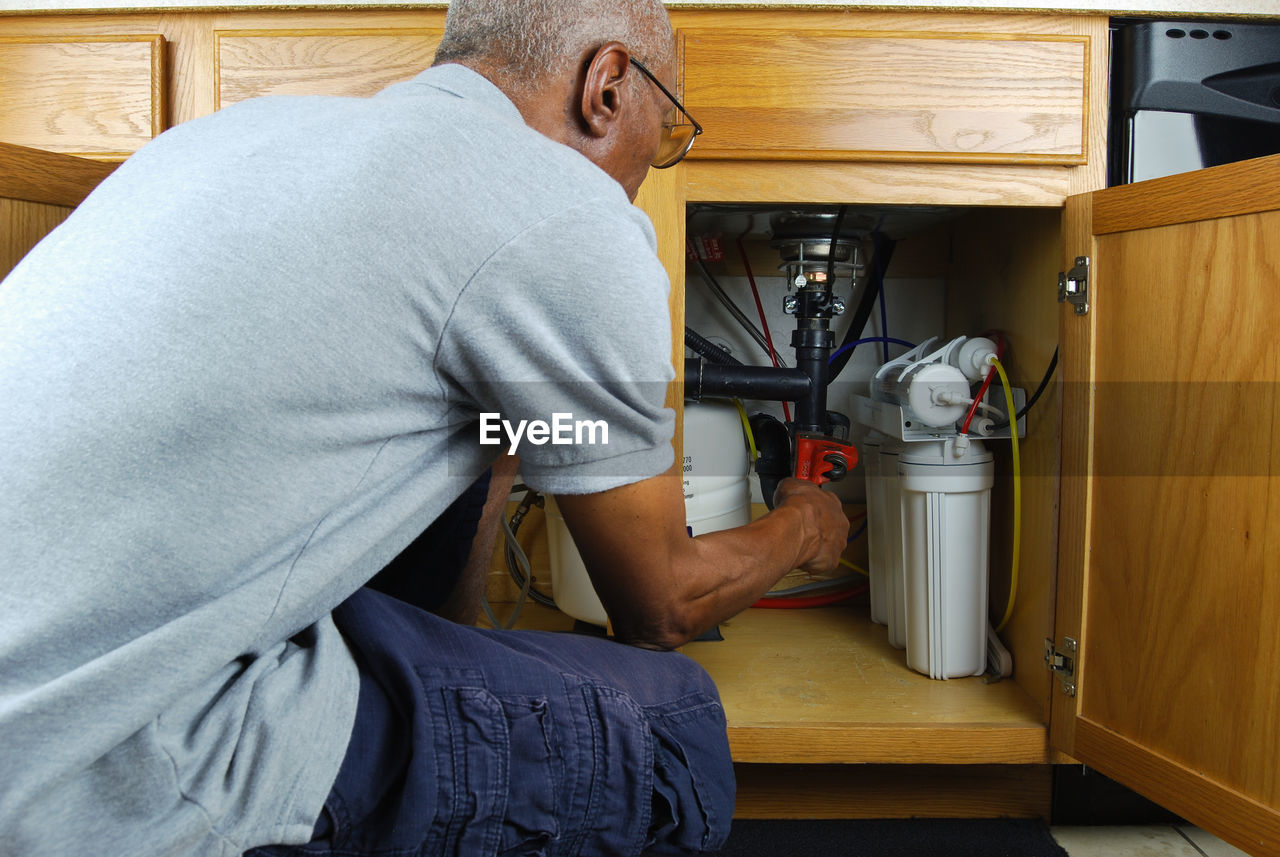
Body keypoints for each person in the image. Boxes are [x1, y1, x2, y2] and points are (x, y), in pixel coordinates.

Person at [0, 0, 849, 854]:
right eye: (662, 134)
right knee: (674, 720)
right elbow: (661, 604)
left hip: (48, 678)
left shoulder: (236, 137)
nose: (647, 169)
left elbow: (460, 450)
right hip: (97, 761)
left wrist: (498, 480)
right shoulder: (566, 211)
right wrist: (802, 525)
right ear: (609, 86)